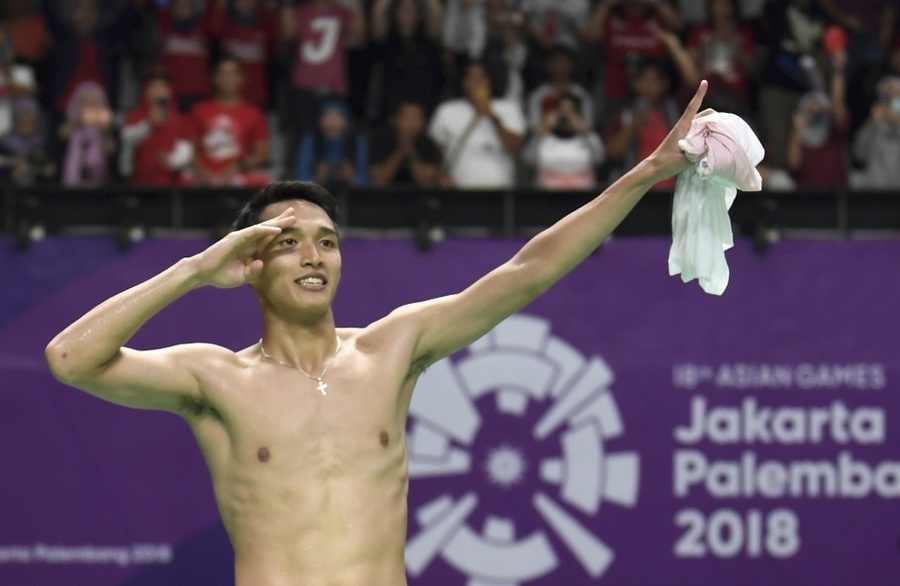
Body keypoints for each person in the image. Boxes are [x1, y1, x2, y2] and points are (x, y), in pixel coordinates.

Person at [46, 79, 712, 586]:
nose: (313, 256)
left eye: (327, 242)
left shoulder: (392, 349)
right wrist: (195, 270)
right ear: (249, 263)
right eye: (288, 242)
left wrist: (648, 171)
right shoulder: (214, 377)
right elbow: (71, 358)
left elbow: (529, 270)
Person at [428, 58, 525, 188]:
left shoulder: (508, 108)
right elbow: (437, 154)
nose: (477, 82)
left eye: (482, 77)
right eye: (471, 77)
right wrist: (441, 176)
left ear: (490, 80)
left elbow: (514, 146)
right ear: (463, 82)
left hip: (500, 192)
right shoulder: (446, 111)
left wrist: (492, 116)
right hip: (459, 191)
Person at [189, 56, 270, 187]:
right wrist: (201, 171)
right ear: (214, 78)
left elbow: (261, 154)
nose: (227, 79)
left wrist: (239, 166)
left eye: (232, 74)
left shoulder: (254, 114)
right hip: (203, 177)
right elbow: (191, 149)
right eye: (223, 74)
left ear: (242, 78)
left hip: (238, 177)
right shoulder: (199, 110)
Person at [120, 69, 196, 186]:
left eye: (162, 87)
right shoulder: (133, 117)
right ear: (146, 91)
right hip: (139, 184)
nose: (158, 91)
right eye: (153, 87)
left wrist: (172, 161)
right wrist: (148, 124)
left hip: (172, 185)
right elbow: (127, 139)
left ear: (170, 91)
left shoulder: (182, 120)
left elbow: (187, 150)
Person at [523, 91, 605, 189]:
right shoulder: (545, 137)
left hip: (583, 195)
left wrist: (584, 132)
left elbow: (600, 158)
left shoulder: (587, 138)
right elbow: (528, 158)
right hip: (547, 196)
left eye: (571, 112)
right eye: (562, 112)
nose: (566, 117)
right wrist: (543, 129)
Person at [294, 98, 368, 189]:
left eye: (336, 116)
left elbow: (365, 178)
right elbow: (301, 175)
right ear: (320, 121)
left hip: (350, 195)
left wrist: (352, 178)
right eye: (327, 116)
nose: (332, 122)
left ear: (346, 121)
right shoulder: (311, 140)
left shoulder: (357, 141)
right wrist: (316, 179)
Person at [369, 100, 444, 187]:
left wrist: (410, 152)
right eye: (407, 117)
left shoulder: (429, 145)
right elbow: (377, 181)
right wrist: (400, 152)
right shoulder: (381, 142)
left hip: (420, 197)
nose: (412, 123)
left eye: (417, 118)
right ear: (395, 120)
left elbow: (427, 182)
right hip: (387, 197)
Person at [58, 81, 116, 186]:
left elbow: (111, 149)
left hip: (98, 178)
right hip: (73, 178)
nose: (89, 106)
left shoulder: (104, 124)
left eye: (93, 102)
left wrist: (105, 130)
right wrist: (76, 121)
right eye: (85, 102)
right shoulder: (73, 121)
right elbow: (61, 135)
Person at [852, 74, 900, 188]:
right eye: (887, 96)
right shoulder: (873, 124)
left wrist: (897, 124)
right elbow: (859, 155)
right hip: (875, 192)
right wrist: (871, 125)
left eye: (896, 96)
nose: (891, 102)